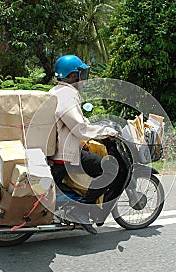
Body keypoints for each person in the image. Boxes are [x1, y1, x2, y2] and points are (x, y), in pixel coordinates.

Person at [49, 54, 118, 235]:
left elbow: (75, 120)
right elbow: (80, 128)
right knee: (110, 168)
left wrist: (96, 126)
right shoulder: (68, 94)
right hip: (64, 155)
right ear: (73, 76)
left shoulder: (55, 91)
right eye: (81, 73)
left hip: (57, 150)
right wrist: (106, 132)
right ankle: (82, 210)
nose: (83, 78)